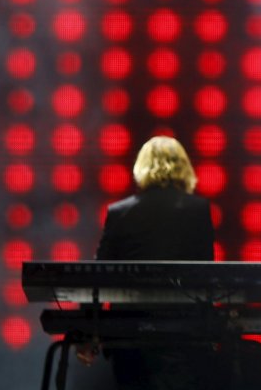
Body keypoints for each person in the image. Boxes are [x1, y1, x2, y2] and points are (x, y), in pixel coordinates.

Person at [76, 135, 217, 390]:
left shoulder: (119, 212)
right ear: (183, 167)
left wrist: (86, 332)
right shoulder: (199, 210)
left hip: (129, 334)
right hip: (182, 333)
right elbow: (206, 273)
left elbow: (97, 275)